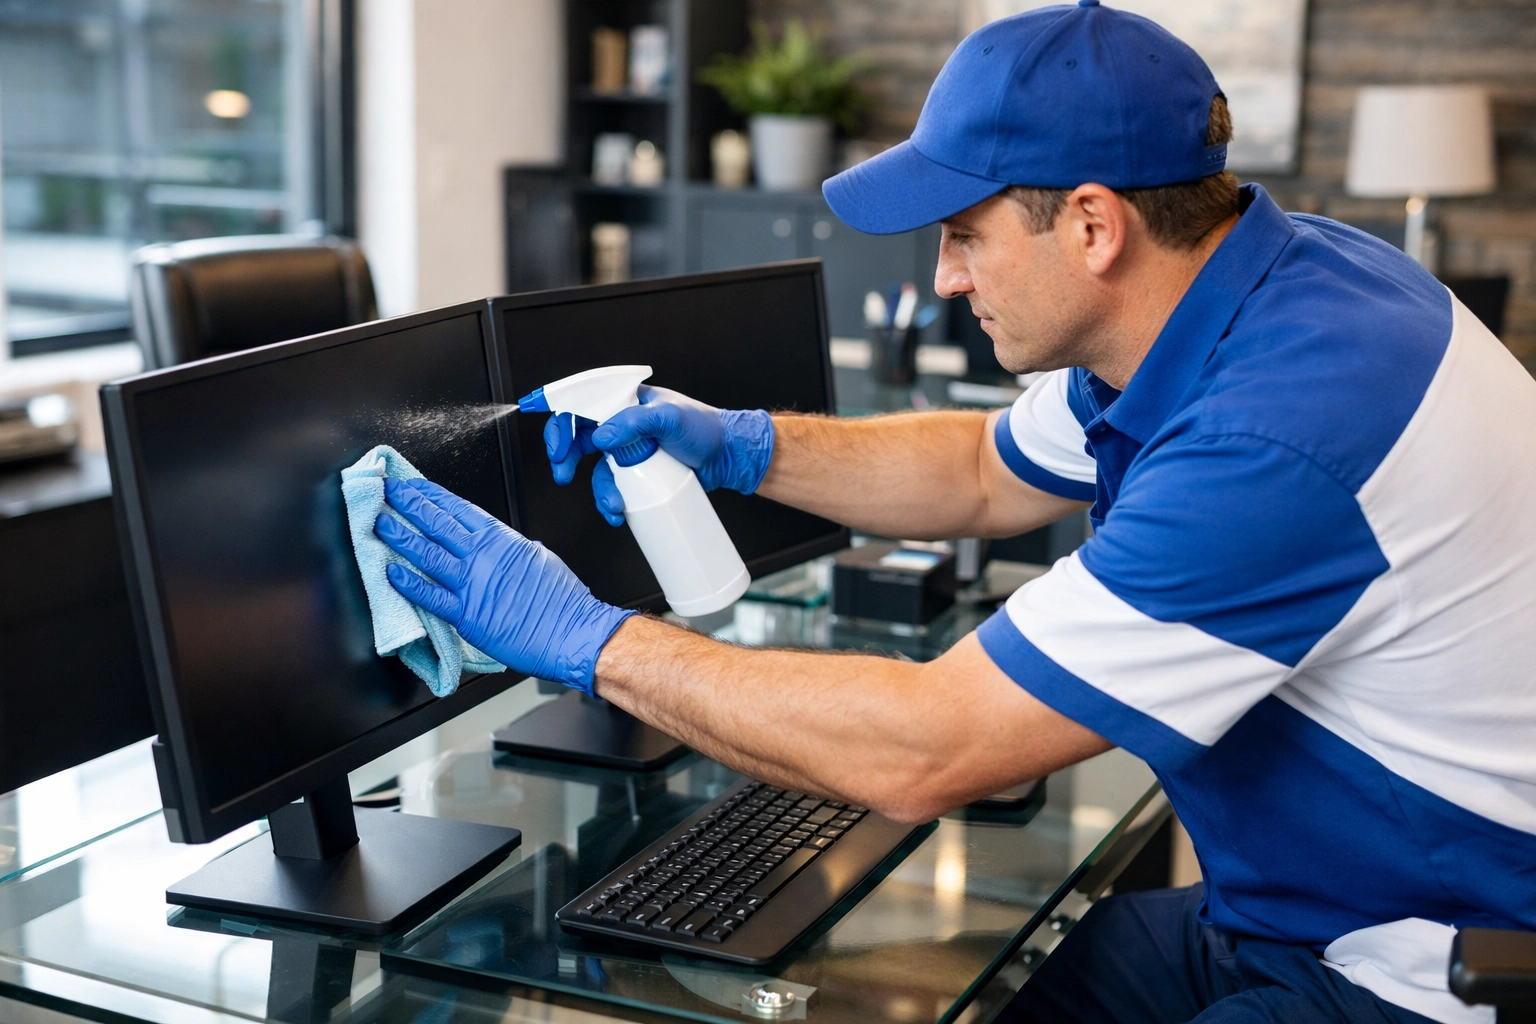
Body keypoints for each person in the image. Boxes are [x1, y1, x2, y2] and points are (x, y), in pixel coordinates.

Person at [370, 3, 1536, 1021]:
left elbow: (933, 746)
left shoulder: (1277, 433)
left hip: (1424, 964)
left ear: (1093, 225)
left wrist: (588, 638)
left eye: (967, 234)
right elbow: (984, 466)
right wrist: (736, 442)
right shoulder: (1252, 288)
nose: (942, 278)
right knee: (1012, 981)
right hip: (1306, 904)